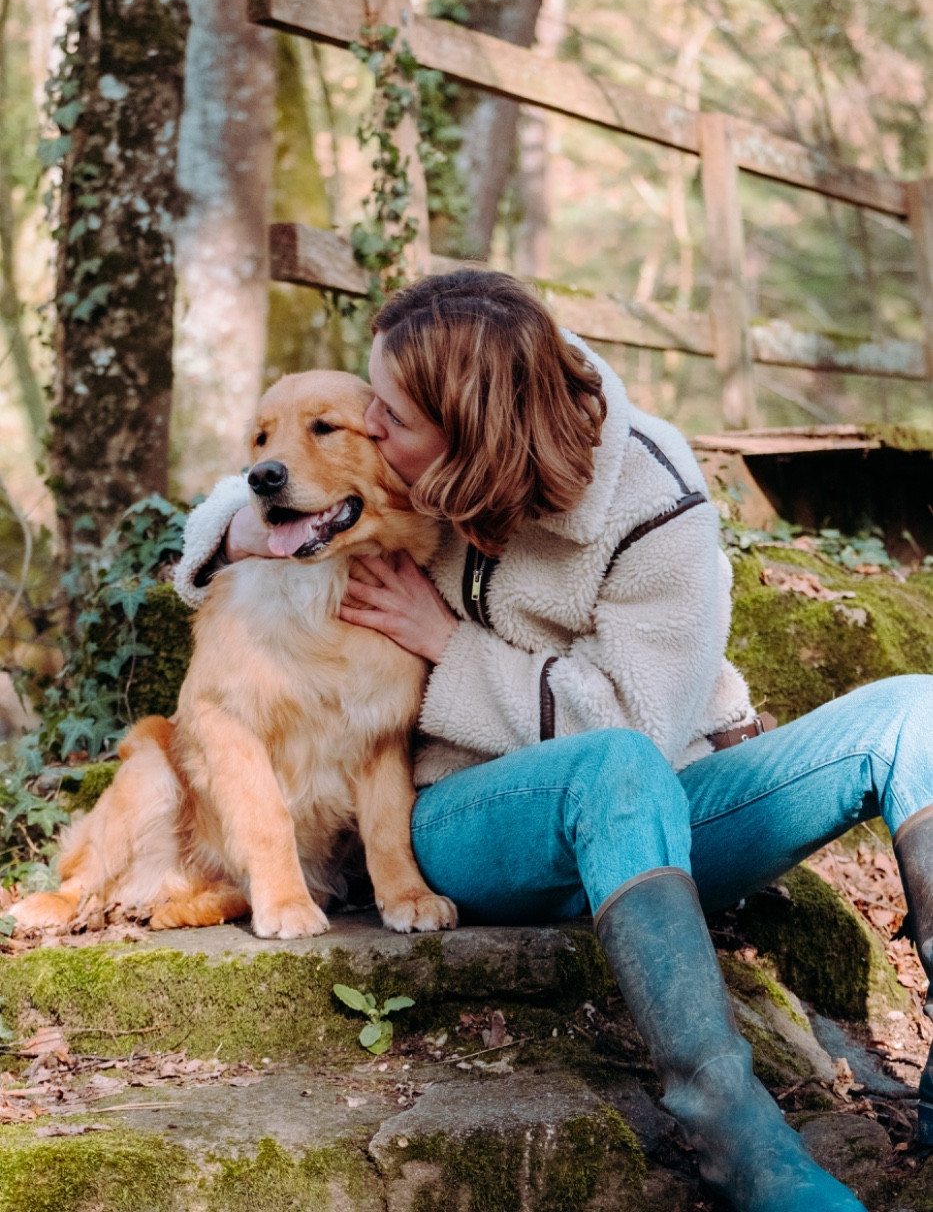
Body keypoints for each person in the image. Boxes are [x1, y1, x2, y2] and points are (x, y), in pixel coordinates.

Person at [175, 268, 933, 1212]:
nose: (371, 429)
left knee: (913, 709)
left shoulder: (653, 500)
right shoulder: (410, 478)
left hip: (655, 810)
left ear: (472, 430)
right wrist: (240, 534)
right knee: (610, 769)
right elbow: (249, 497)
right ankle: (735, 1136)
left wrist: (448, 647)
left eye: (390, 418)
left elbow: (640, 726)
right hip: (465, 819)